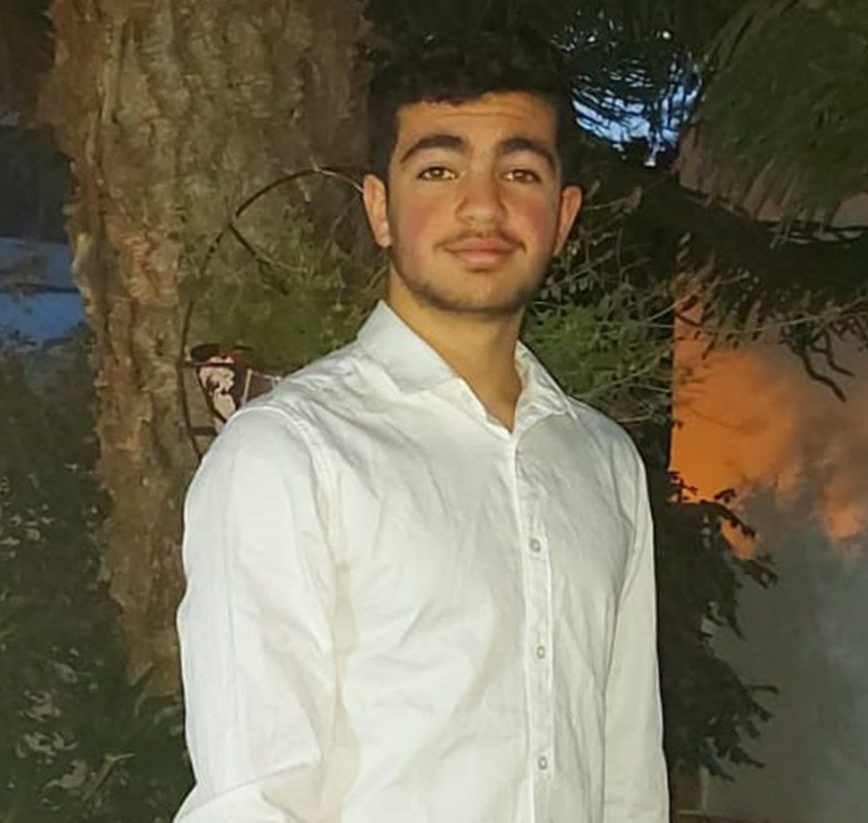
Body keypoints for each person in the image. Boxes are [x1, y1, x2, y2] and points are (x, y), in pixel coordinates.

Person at [174, 29, 670, 823]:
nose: (483, 205)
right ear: (379, 207)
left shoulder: (602, 462)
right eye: (439, 169)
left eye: (520, 172)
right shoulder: (289, 452)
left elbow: (628, 774)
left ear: (563, 215)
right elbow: (252, 801)